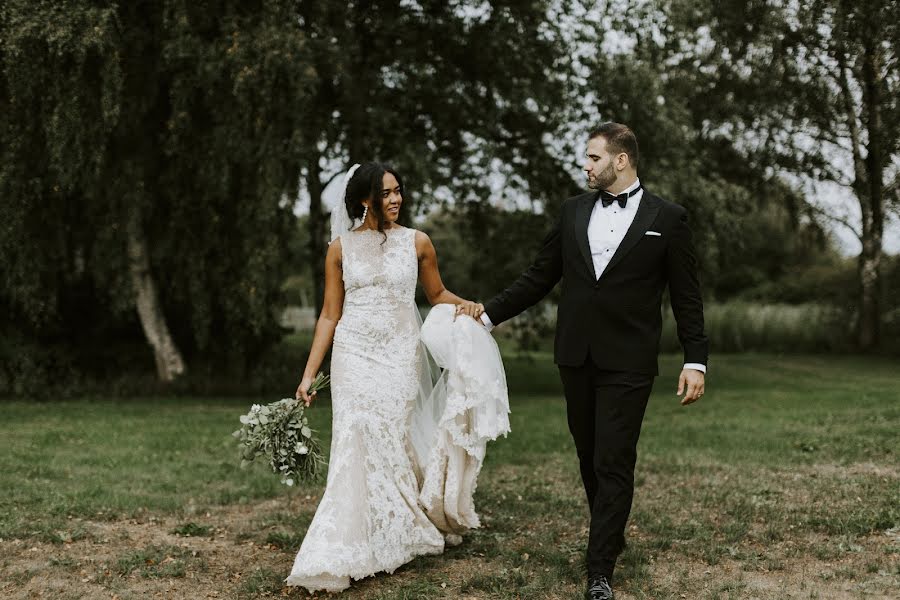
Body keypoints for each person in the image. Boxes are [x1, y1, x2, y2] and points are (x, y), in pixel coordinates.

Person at [474, 123, 709, 600]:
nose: (586, 165)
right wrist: (486, 315)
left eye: (594, 158)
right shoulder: (572, 212)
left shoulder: (670, 218)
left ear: (621, 160)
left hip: (630, 360)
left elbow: (687, 296)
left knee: (613, 458)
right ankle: (611, 531)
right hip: (576, 356)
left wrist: (696, 361)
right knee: (588, 456)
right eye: (587, 157)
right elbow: (538, 277)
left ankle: (599, 569)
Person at [285, 162, 489, 592]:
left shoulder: (418, 242)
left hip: (399, 356)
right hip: (352, 355)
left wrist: (469, 305)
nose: (396, 199)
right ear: (364, 200)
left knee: (390, 439)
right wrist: (308, 375)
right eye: (386, 193)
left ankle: (395, 528)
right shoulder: (339, 248)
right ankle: (347, 539)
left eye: (399, 191)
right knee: (354, 439)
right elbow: (328, 314)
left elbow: (436, 295)